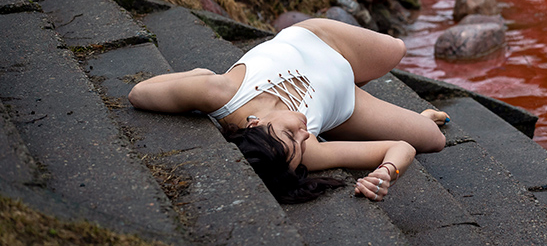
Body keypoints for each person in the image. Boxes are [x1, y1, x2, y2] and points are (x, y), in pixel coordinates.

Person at [127, 18, 450, 203]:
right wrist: (387, 171)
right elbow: (400, 147)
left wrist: (196, 78)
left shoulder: (220, 92)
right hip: (345, 103)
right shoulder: (307, 151)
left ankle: (362, 72)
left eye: (290, 132)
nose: (307, 132)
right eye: (300, 140)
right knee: (432, 138)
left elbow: (138, 93)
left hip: (321, 42)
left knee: (397, 49)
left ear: (254, 123)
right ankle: (415, 115)